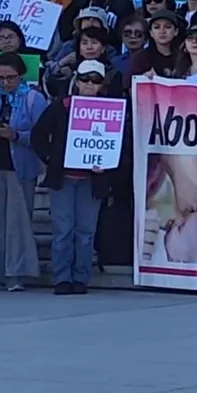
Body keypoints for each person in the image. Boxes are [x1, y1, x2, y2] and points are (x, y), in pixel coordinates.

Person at [30, 59, 115, 294]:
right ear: (76, 81)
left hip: (93, 179)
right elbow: (37, 136)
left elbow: (119, 144)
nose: (89, 84)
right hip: (63, 178)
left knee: (86, 232)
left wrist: (107, 163)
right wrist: (51, 160)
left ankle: (81, 278)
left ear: (102, 84)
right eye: (85, 79)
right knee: (63, 231)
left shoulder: (111, 111)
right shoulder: (60, 106)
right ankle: (61, 278)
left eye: (95, 80)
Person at [0, 52, 47, 291]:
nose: (6, 82)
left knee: (18, 220)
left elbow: (42, 135)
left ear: (21, 76)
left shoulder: (34, 99)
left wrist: (17, 135)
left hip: (20, 165)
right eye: (1, 78)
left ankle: (17, 272)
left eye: (11, 78)